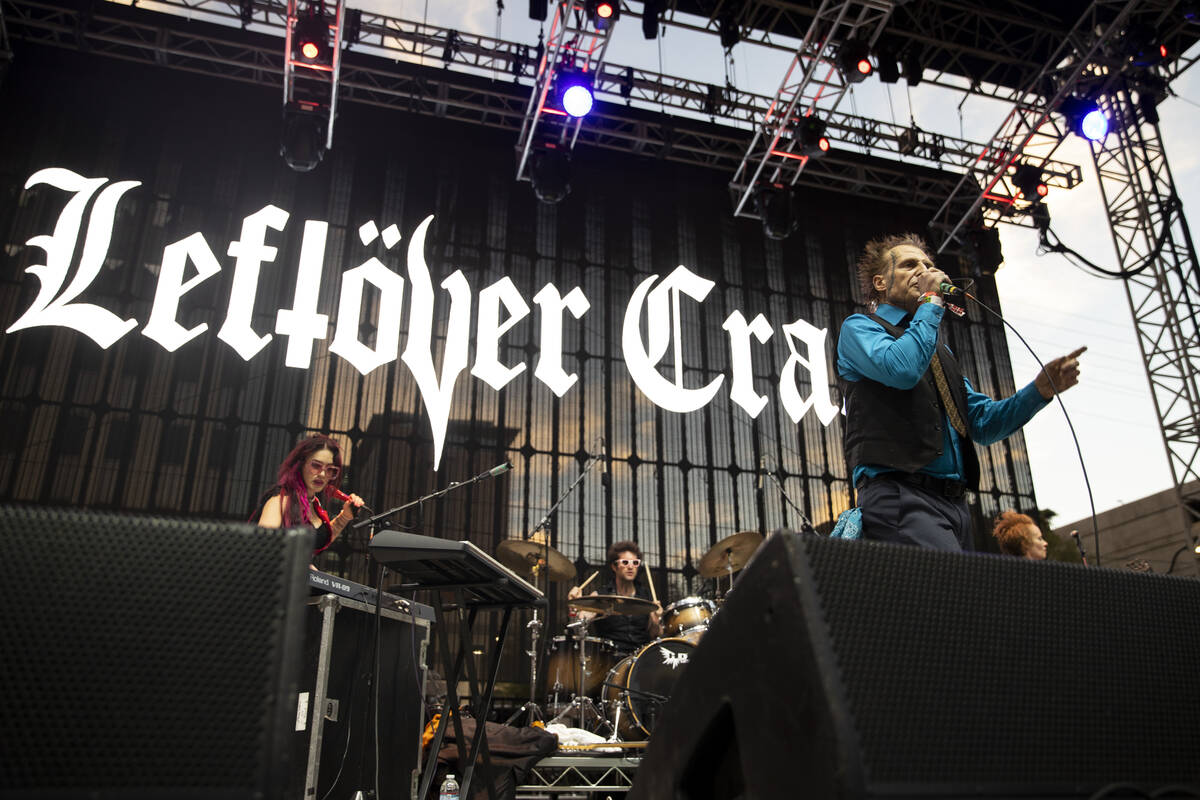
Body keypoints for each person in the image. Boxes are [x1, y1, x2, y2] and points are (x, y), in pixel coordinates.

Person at [837, 233, 1085, 551]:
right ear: (881, 283)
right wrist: (931, 302)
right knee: (948, 595)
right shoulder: (860, 328)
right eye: (910, 264)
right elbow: (900, 369)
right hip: (902, 495)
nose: (924, 270)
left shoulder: (938, 350)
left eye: (928, 265)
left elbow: (981, 421)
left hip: (954, 505)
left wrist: (1038, 391)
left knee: (953, 597)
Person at [251, 433, 365, 556]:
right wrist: (299, 564)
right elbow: (261, 546)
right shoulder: (281, 500)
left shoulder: (314, 503)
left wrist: (344, 517)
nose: (322, 474)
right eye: (316, 465)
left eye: (330, 469)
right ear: (300, 465)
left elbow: (316, 539)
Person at [567, 541, 662, 656]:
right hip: (610, 659)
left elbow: (655, 634)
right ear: (614, 566)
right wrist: (574, 609)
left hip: (641, 659)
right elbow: (579, 625)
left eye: (635, 563)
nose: (631, 566)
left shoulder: (646, 596)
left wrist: (656, 621)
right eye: (625, 562)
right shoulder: (600, 595)